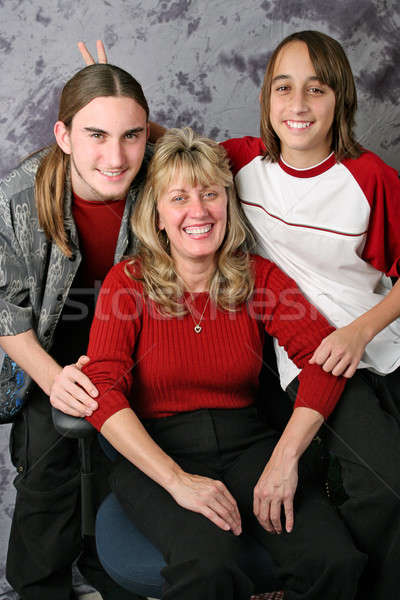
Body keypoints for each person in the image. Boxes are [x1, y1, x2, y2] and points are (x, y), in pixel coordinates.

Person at [78, 32, 400, 599]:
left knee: (336, 561)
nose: (197, 211)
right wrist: (179, 482)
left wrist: (281, 461)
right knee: (208, 567)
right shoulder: (126, 284)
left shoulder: (260, 277)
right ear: (155, 216)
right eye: (178, 199)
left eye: (211, 196)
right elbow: (104, 387)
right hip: (159, 450)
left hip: (252, 443)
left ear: (232, 202)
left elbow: (321, 361)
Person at [0, 62, 153, 600]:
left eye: (131, 135)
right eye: (95, 134)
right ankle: (40, 585)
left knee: (129, 468)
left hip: (136, 347)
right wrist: (52, 378)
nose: (116, 158)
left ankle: (114, 572)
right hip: (50, 346)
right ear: (63, 135)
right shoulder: (17, 197)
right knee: (46, 468)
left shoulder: (161, 175)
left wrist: (108, 96)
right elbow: (5, 306)